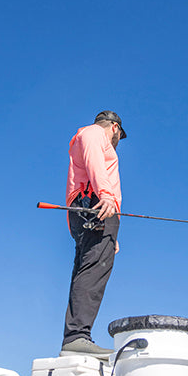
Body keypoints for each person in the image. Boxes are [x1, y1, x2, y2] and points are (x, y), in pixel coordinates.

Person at [60, 111, 126, 359]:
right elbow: (95, 162)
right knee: (92, 270)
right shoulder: (94, 133)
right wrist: (106, 195)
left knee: (88, 267)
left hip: (92, 209)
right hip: (96, 204)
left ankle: (76, 336)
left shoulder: (89, 134)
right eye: (119, 135)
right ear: (115, 127)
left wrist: (111, 234)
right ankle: (77, 336)